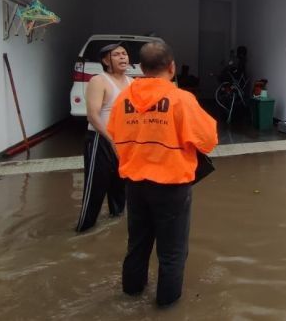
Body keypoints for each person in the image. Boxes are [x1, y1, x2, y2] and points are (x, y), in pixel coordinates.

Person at [107, 41, 218, 308]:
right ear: (172, 67)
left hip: (134, 183)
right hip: (172, 186)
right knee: (172, 252)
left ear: (141, 68)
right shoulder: (182, 99)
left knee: (137, 245)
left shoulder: (124, 99)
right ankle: (167, 307)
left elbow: (114, 133)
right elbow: (208, 141)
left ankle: (131, 294)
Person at [75, 42, 130, 233]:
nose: (123, 57)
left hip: (123, 143)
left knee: (120, 188)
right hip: (100, 139)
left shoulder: (131, 82)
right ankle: (83, 230)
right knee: (95, 190)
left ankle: (115, 225)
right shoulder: (99, 81)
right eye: (117, 55)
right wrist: (111, 140)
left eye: (124, 53)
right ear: (106, 61)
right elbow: (92, 115)